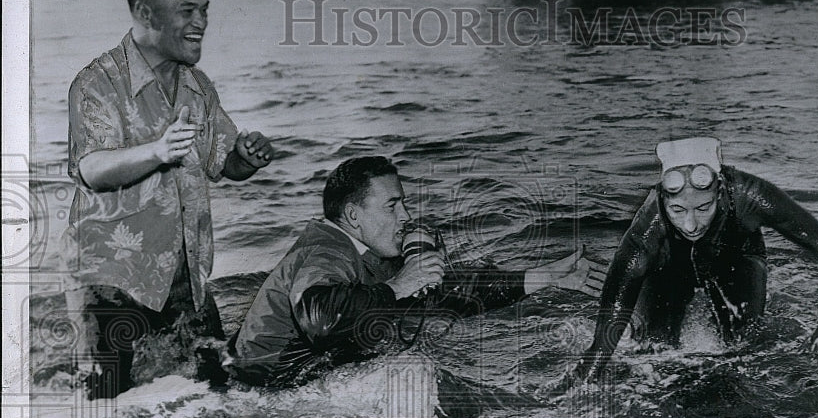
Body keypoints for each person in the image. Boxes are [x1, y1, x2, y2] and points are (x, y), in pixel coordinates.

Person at [63, 0, 274, 400]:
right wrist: (157, 151)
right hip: (111, 283)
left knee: (216, 399)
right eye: (187, 11)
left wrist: (246, 159)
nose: (202, 22)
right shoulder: (96, 83)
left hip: (185, 281)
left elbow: (224, 163)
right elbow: (91, 169)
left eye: (205, 10)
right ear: (145, 14)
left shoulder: (199, 87)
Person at [227, 156, 604, 386]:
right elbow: (319, 317)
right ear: (353, 215)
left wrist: (544, 277)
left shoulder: (365, 251)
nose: (405, 216)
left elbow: (445, 292)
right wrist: (400, 284)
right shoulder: (325, 250)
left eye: (404, 204)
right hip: (266, 387)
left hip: (299, 377)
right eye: (392, 205)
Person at [554, 137, 818, 391]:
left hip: (738, 255)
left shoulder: (749, 195)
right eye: (678, 210)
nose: (691, 224)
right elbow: (623, 285)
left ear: (720, 193)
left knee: (744, 347)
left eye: (703, 208)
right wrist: (592, 365)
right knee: (656, 350)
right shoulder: (650, 224)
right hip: (669, 264)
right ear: (662, 199)